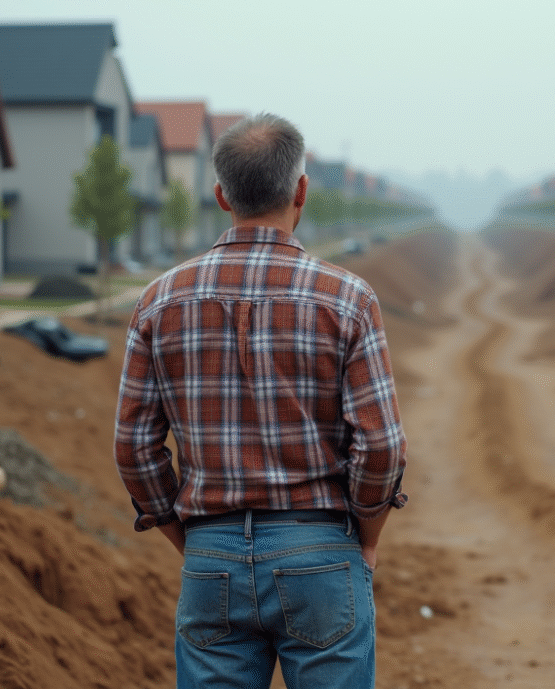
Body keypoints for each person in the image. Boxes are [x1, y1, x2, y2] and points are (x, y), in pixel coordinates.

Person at [114, 112, 406, 689]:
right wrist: (366, 537)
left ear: (220, 195)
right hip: (322, 549)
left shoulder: (159, 301)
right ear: (301, 191)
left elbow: (133, 448)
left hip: (210, 556)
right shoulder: (348, 299)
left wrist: (188, 537)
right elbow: (381, 445)